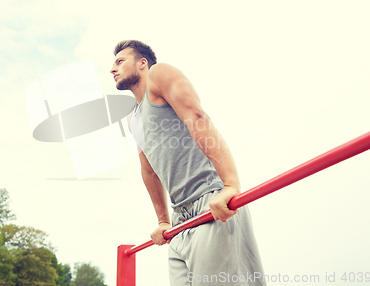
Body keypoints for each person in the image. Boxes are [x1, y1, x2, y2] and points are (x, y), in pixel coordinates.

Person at [110, 40, 266, 286]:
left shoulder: (159, 75)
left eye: (120, 61)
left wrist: (230, 185)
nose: (112, 68)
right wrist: (163, 220)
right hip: (180, 218)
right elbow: (148, 170)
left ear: (142, 63)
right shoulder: (132, 118)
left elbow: (197, 117)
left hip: (210, 200)